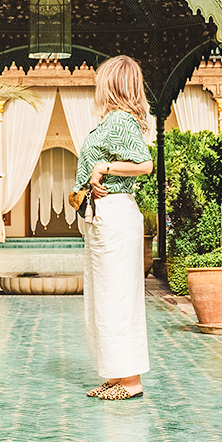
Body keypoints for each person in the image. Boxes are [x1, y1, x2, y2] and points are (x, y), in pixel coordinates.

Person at [77, 55, 155, 401]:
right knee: (102, 298)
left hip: (115, 217)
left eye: (101, 80)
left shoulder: (121, 120)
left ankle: (131, 380)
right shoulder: (111, 121)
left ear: (111, 84)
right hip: (102, 215)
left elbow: (145, 165)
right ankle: (116, 373)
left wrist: (105, 167)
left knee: (117, 298)